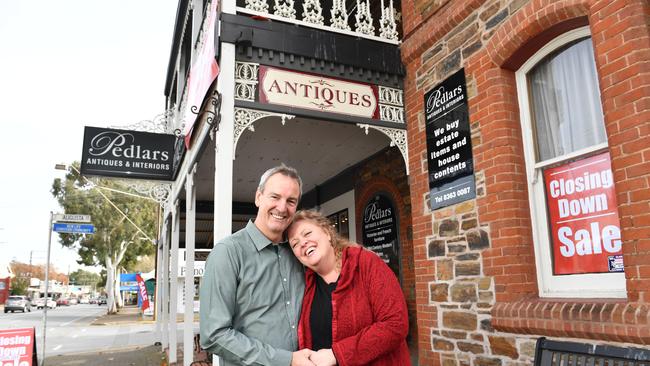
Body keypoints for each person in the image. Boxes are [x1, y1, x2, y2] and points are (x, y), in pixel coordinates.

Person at [200, 164, 315, 366]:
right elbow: (214, 335)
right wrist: (286, 360)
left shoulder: (299, 252)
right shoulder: (228, 252)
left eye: (291, 201)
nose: (282, 207)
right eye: (274, 197)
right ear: (258, 197)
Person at [287, 210, 411, 366]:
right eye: (295, 244)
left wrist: (337, 354)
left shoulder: (365, 263)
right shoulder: (305, 285)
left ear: (327, 233)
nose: (303, 243)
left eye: (307, 233)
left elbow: (396, 323)